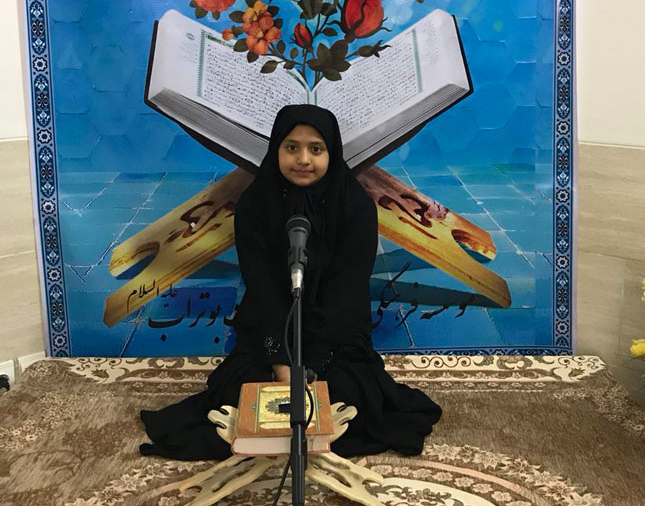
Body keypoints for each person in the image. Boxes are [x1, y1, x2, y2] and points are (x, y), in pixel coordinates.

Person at [140, 104, 442, 461]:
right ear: (276, 150)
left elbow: (347, 292)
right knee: (240, 393)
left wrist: (312, 364)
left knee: (346, 395)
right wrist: (281, 362)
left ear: (332, 152)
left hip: (337, 335)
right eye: (292, 147)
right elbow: (263, 289)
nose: (303, 159)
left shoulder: (355, 206)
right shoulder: (255, 204)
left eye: (316, 149)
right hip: (269, 327)